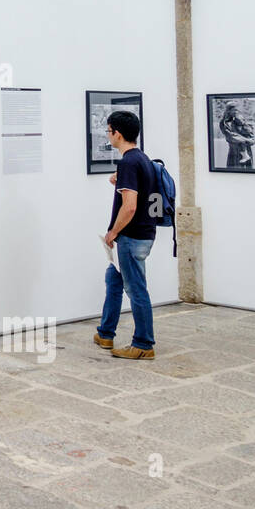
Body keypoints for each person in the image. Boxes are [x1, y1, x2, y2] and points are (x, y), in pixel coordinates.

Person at [95, 110, 158, 360]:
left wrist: (113, 232)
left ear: (117, 134)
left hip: (131, 237)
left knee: (136, 290)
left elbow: (130, 206)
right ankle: (105, 333)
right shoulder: (141, 158)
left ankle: (143, 344)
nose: (108, 135)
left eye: (109, 131)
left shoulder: (130, 162)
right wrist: (117, 179)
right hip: (140, 234)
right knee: (114, 281)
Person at [219, 102, 255, 169]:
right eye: (234, 110)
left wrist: (243, 123)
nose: (236, 112)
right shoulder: (224, 123)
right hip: (234, 152)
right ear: (228, 110)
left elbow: (251, 135)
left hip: (248, 151)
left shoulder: (241, 120)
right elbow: (231, 137)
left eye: (237, 110)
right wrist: (247, 140)